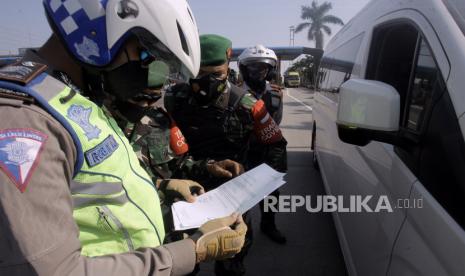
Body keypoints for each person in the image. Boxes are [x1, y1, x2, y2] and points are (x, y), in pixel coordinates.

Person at [0, 0, 246, 275]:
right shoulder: (26, 120)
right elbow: (56, 270)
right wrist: (193, 250)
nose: (152, 75)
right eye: (145, 55)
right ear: (96, 30)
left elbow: (92, 187)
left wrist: (163, 185)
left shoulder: (74, 97)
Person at [165, 34, 288, 276]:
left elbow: (276, 144)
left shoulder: (249, 105)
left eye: (216, 75)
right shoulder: (174, 99)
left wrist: (261, 184)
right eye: (199, 75)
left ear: (228, 64)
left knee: (232, 258)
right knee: (183, 264)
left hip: (231, 195)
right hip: (186, 192)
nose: (206, 83)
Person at [112, 61, 244, 241]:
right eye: (138, 97)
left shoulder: (159, 119)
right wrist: (161, 186)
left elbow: (180, 163)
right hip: (125, 232)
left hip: (171, 229)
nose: (144, 105)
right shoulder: (97, 123)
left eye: (152, 98)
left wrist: (209, 166)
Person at [238, 45, 287, 244]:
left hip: (267, 152)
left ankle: (268, 225)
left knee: (271, 194)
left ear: (270, 70)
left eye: (264, 68)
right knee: (243, 197)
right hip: (244, 152)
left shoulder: (275, 94)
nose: (259, 72)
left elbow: (277, 122)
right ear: (244, 69)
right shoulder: (235, 94)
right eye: (254, 68)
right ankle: (243, 231)